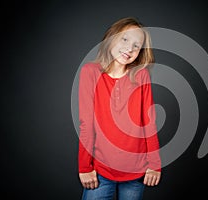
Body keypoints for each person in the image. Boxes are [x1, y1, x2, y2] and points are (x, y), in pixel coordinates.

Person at [78, 17, 161, 200]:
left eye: (136, 45)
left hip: (136, 171)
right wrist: (84, 168)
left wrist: (154, 164)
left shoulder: (141, 75)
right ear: (112, 38)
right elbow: (87, 124)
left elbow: (149, 122)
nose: (130, 48)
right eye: (125, 39)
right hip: (100, 171)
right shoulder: (90, 72)